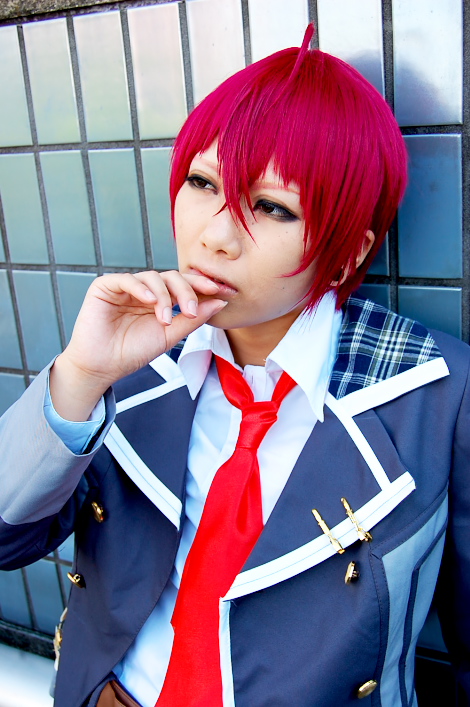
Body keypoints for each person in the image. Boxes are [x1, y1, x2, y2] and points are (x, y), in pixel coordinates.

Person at [0, 24, 469, 707]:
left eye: (272, 206)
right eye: (202, 181)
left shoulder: (437, 393)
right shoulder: (133, 347)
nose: (214, 236)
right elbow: (7, 542)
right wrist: (79, 377)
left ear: (347, 253)